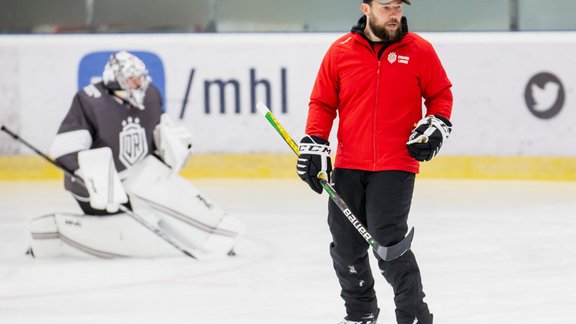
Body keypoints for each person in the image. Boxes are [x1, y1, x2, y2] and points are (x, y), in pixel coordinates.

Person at [296, 1, 453, 323]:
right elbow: (323, 102)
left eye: (397, 7)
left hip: (396, 165)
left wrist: (436, 123)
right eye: (386, 7)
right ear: (366, 8)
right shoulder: (340, 51)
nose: (394, 13)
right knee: (345, 247)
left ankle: (414, 316)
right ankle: (360, 313)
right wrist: (315, 141)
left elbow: (440, 95)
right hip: (349, 165)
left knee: (389, 246)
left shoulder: (420, 50)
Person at [28, 50, 244, 258]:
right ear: (116, 80)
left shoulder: (150, 94)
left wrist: (175, 149)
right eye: (133, 80)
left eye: (140, 78)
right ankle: (55, 236)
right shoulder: (88, 101)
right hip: (101, 183)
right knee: (121, 227)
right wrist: (92, 176)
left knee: (176, 199)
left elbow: (161, 132)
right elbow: (64, 148)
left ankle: (214, 237)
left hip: (141, 172)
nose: (140, 84)